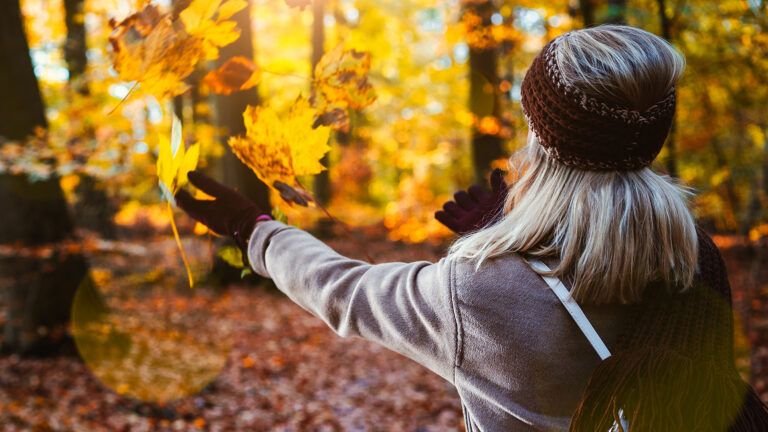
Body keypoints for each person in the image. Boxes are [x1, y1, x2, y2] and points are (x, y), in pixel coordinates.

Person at [176, 25, 768, 431]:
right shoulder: (692, 255)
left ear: (541, 137)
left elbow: (344, 292)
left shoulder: (479, 291)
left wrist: (255, 230)